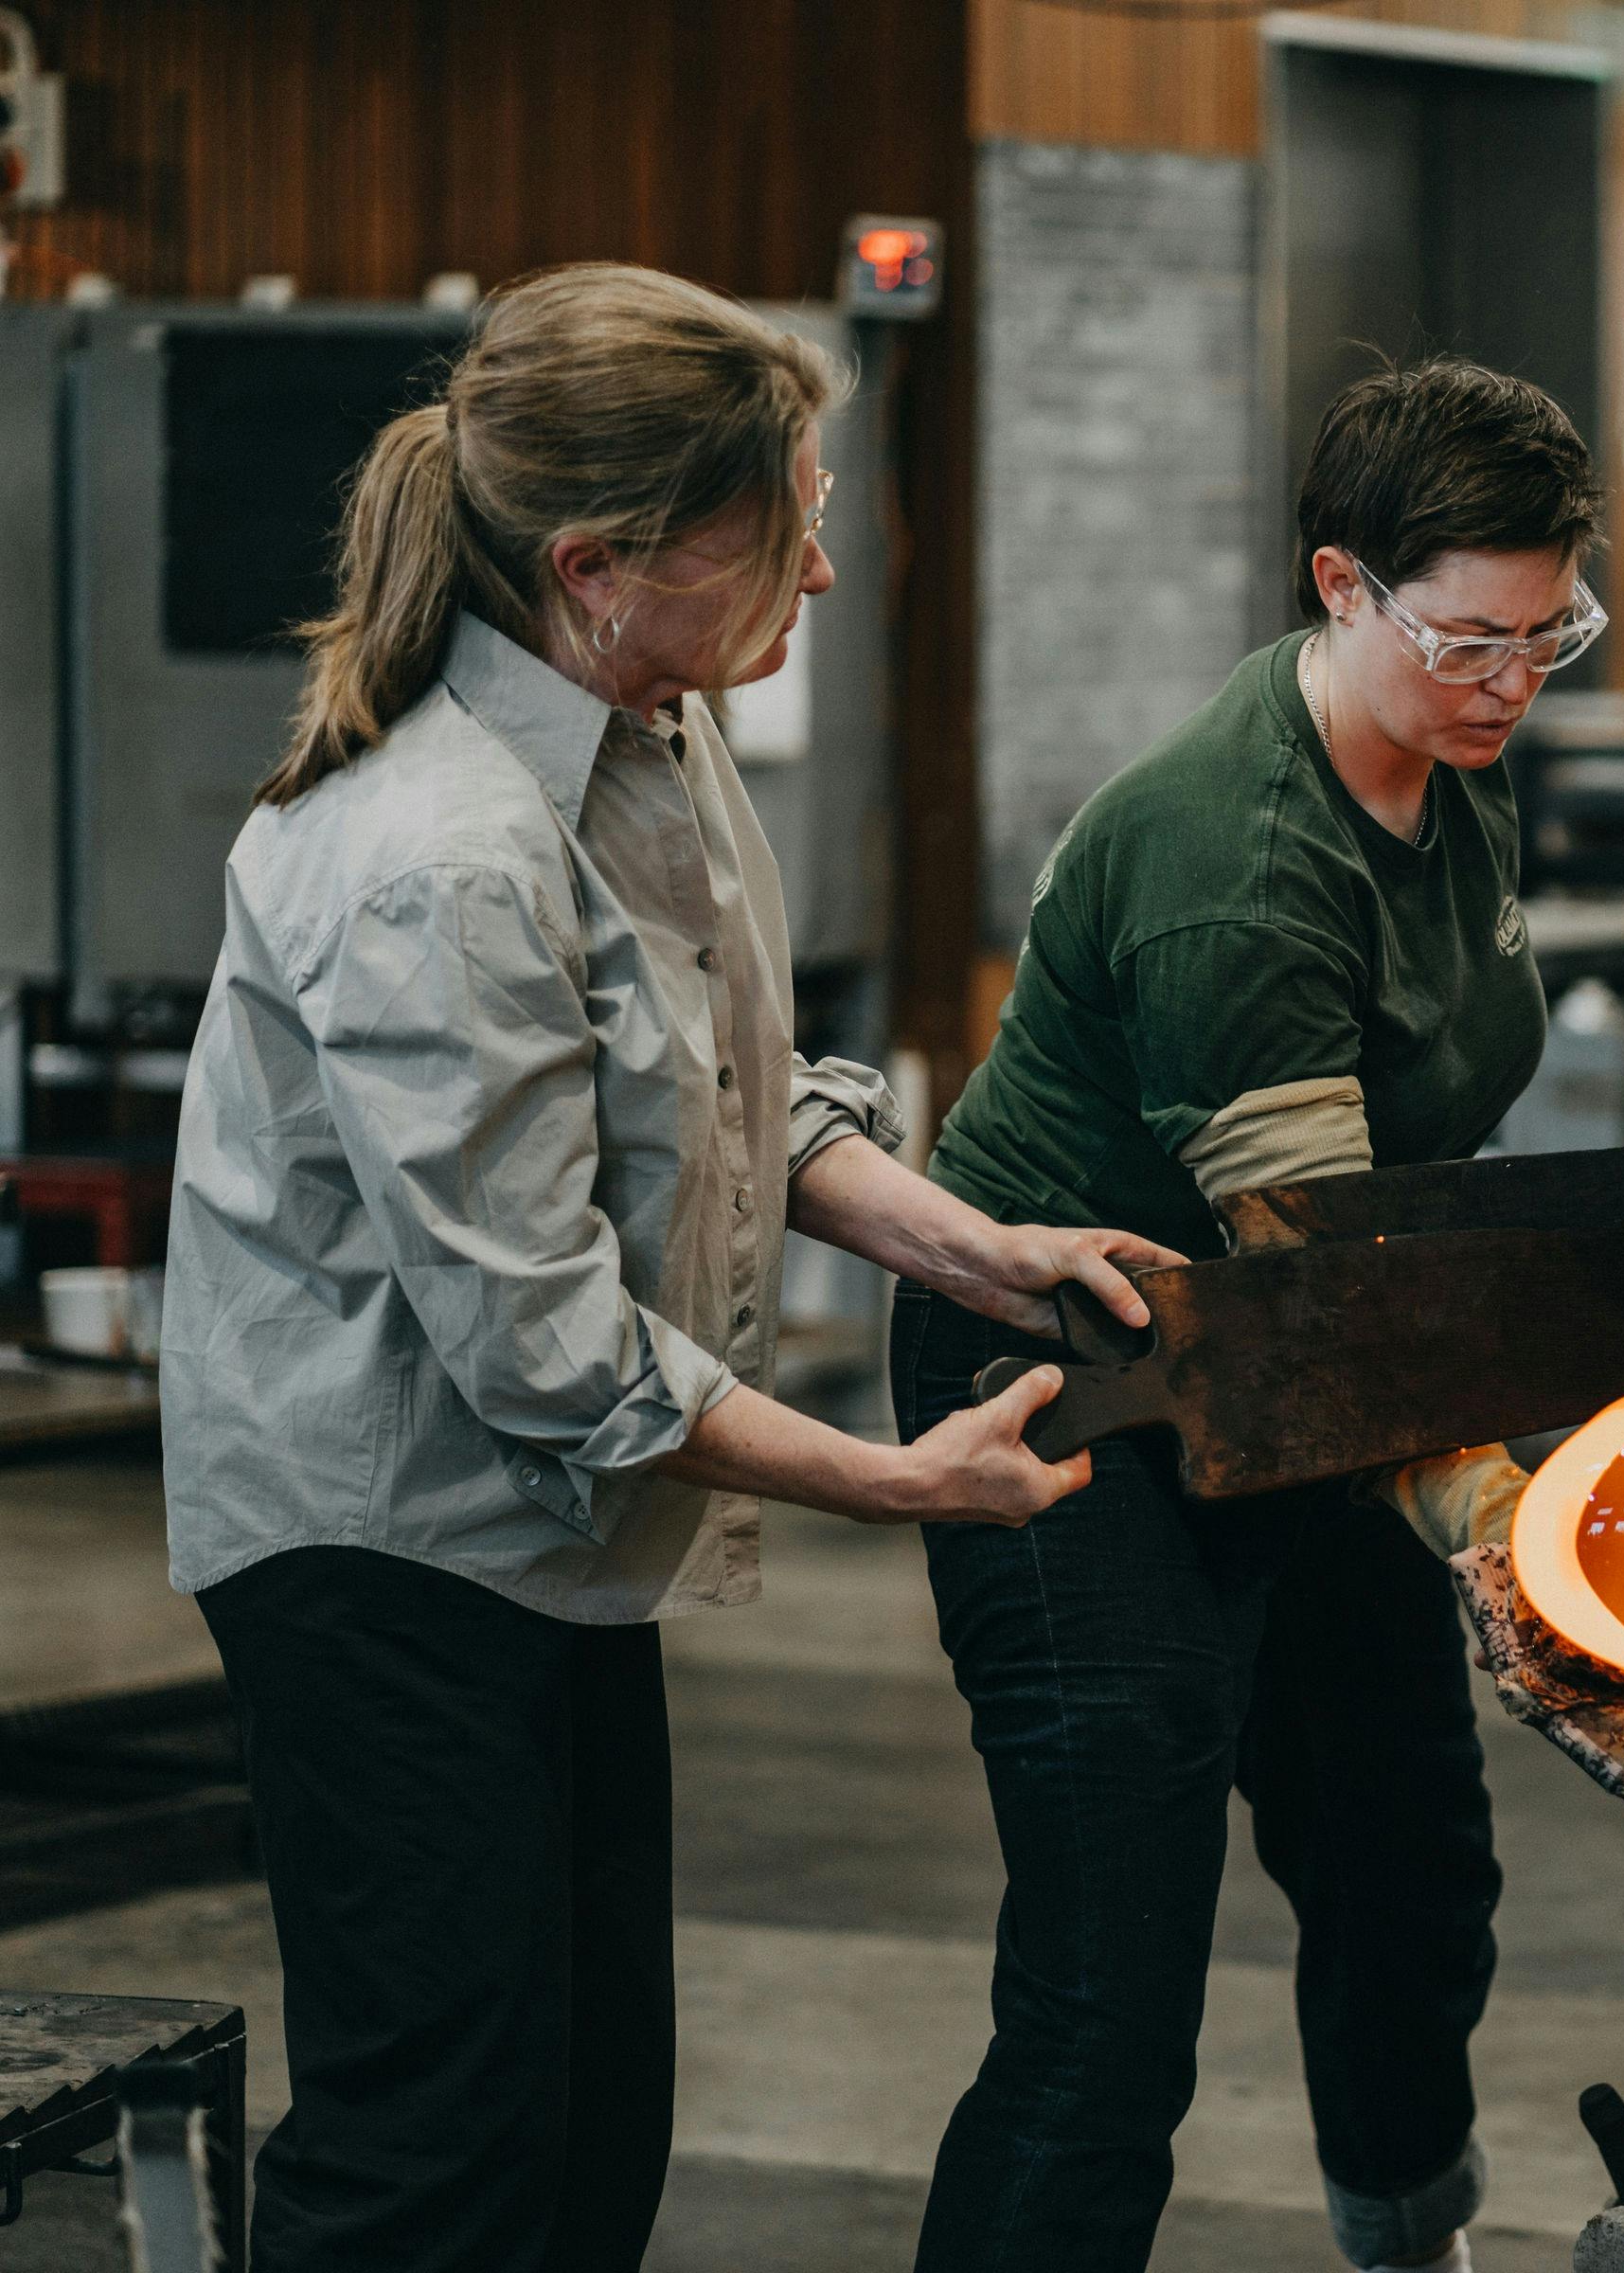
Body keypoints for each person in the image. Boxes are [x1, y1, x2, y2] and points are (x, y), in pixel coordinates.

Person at [163, 264, 1171, 2273]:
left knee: (589, 2119)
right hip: (374, 1552)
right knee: (433, 2140)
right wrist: (901, 1485)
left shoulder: (666, 729)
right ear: (600, 563)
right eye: (780, 517)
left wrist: (982, 1244)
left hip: (540, 1538)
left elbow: (741, 1092)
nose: (823, 557)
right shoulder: (440, 853)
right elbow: (544, 1350)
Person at [898, 356, 1604, 2273]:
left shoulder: (1455, 753)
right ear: (1338, 585)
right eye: (1470, 638)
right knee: (1115, 1970)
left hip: (1309, 1336)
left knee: (1407, 1875)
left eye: (1553, 637)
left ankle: (1410, 2242)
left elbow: (1367, 1241)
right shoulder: (1235, 864)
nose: (1513, 683)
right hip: (1080, 1380)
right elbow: (1311, 1293)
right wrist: (1506, 1533)